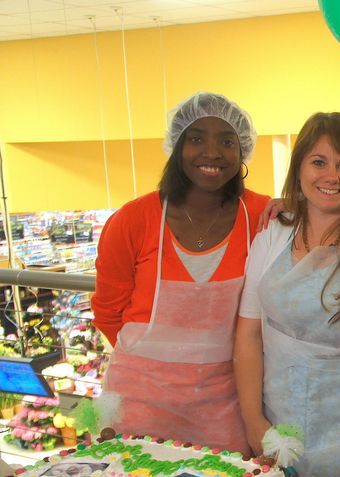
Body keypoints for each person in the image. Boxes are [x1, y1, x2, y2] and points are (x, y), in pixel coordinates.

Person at [93, 92, 269, 454]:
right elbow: (107, 312)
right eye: (196, 138)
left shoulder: (263, 217)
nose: (212, 152)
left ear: (243, 151)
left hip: (224, 405)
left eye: (226, 141)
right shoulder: (132, 220)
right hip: (139, 403)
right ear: (176, 146)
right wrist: (158, 371)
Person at [234, 112, 340, 477]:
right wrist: (254, 422)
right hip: (277, 428)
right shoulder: (274, 232)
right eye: (319, 162)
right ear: (299, 168)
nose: (331, 176)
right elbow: (247, 335)